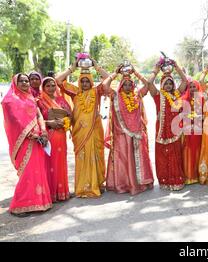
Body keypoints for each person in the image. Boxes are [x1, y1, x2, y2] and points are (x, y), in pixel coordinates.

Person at [55, 58, 109, 198]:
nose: (85, 84)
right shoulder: (75, 92)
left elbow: (108, 79)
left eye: (87, 81)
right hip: (79, 132)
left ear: (91, 82)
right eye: (82, 81)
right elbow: (58, 81)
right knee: (82, 158)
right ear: (79, 82)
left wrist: (96, 66)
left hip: (94, 130)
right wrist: (72, 68)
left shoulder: (97, 91)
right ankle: (83, 187)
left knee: (96, 156)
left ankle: (96, 184)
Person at [2, 74, 52, 216]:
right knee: (27, 173)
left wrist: (43, 131)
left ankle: (39, 203)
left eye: (26, 81)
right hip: (24, 141)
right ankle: (20, 205)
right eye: (22, 81)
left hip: (38, 141)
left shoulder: (30, 97)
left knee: (38, 171)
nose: (25, 83)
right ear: (15, 83)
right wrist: (31, 134)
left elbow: (38, 115)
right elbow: (14, 122)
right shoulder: (9, 100)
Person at [102, 65, 154, 195]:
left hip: (137, 133)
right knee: (124, 160)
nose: (127, 87)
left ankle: (140, 183)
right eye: (124, 85)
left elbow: (147, 84)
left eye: (130, 85)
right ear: (121, 86)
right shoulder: (115, 96)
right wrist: (115, 73)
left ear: (133, 85)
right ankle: (124, 184)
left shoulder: (138, 95)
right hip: (122, 135)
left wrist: (136, 72)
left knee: (140, 158)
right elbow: (105, 86)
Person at [147, 59, 187, 191]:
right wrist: (156, 69)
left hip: (175, 130)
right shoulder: (157, 95)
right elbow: (149, 82)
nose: (169, 85)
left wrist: (176, 67)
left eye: (170, 83)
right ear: (162, 85)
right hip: (162, 130)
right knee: (162, 155)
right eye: (166, 83)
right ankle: (164, 180)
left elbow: (185, 81)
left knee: (176, 154)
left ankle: (176, 179)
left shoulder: (177, 95)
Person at [37, 77, 72, 202]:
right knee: (49, 164)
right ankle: (50, 194)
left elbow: (70, 115)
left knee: (60, 163)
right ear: (43, 87)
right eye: (48, 86)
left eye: (53, 85)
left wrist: (65, 121)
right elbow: (35, 120)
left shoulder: (61, 99)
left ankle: (62, 192)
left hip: (61, 135)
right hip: (49, 136)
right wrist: (48, 122)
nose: (51, 88)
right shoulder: (39, 102)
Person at [181, 79, 204, 185]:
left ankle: (199, 174)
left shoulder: (202, 99)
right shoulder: (184, 99)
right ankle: (190, 175)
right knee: (189, 150)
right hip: (188, 129)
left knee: (199, 149)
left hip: (200, 129)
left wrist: (201, 117)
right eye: (190, 87)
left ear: (198, 88)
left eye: (194, 86)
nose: (192, 89)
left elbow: (207, 113)